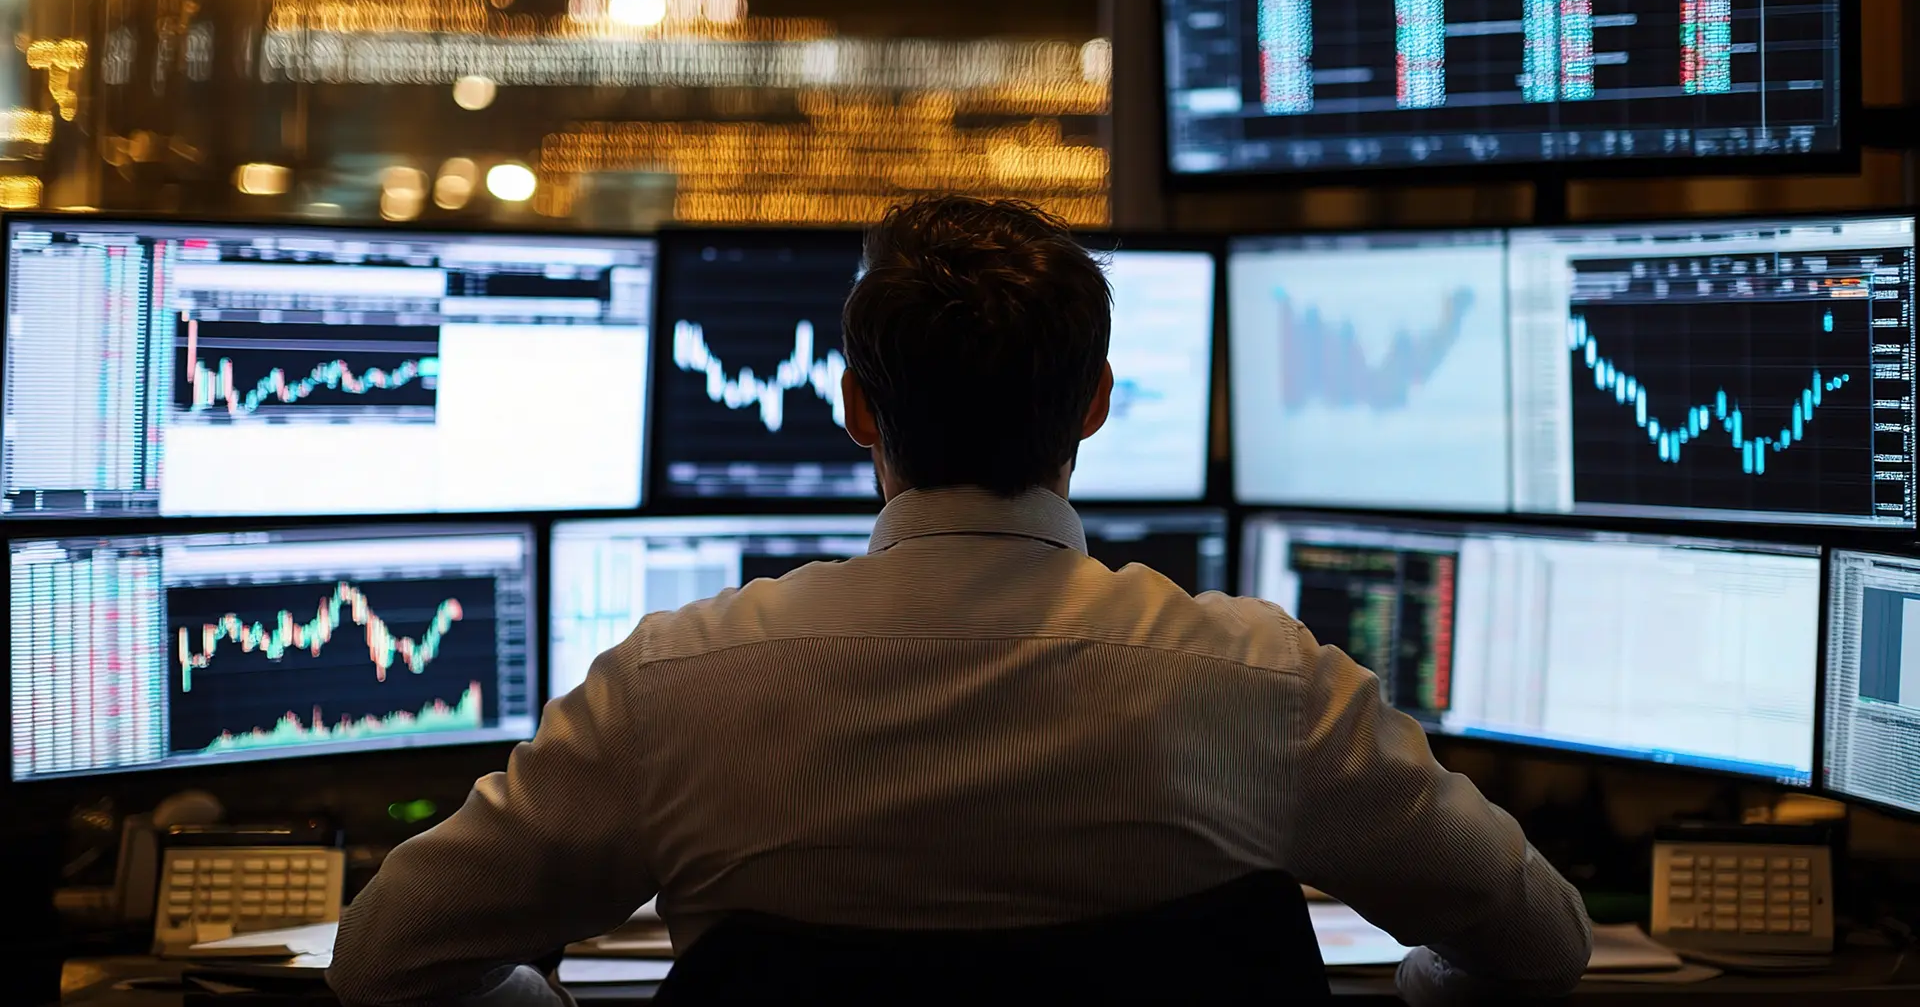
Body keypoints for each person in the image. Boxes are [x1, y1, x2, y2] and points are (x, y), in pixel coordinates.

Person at [327, 196, 1592, 1007]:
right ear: (1098, 405)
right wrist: (1414, 988)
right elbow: (1543, 946)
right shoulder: (1266, 686)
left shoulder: (672, 686)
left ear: (856, 411)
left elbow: (386, 961)